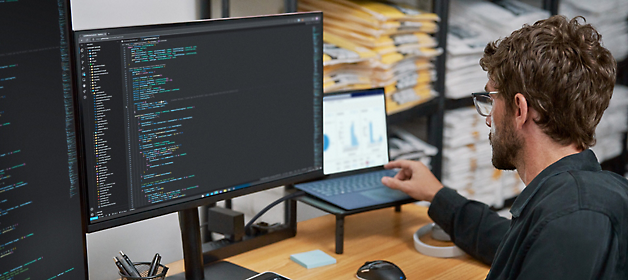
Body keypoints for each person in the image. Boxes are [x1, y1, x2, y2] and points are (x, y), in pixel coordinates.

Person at [382, 15, 628, 279]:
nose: (488, 118)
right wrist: (439, 196)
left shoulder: (571, 220)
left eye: (491, 99)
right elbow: (513, 242)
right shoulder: (587, 198)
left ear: (520, 109)